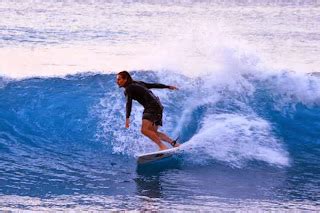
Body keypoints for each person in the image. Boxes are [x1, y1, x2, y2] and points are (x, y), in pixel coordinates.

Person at [116, 71, 180, 150]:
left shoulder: (128, 89)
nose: (117, 82)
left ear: (125, 79)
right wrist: (167, 86)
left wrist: (127, 118)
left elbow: (128, 103)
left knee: (144, 130)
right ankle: (174, 143)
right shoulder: (138, 83)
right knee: (153, 132)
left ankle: (163, 147)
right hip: (158, 106)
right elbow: (153, 85)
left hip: (151, 107)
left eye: (119, 79)